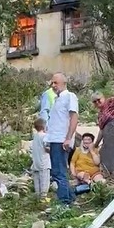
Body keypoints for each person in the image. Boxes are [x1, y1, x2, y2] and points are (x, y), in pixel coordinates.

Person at [44, 73, 79, 205]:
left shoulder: (69, 97)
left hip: (61, 140)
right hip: (55, 139)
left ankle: (64, 202)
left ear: (64, 83)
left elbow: (74, 118)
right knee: (57, 171)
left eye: (55, 83)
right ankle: (70, 197)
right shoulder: (57, 99)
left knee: (59, 172)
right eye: (52, 83)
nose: (53, 86)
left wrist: (68, 138)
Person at [31, 118, 51, 199]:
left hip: (35, 162)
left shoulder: (35, 136)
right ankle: (43, 196)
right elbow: (47, 148)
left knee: (37, 180)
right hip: (44, 162)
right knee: (44, 180)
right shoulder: (45, 136)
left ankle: (37, 195)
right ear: (44, 126)